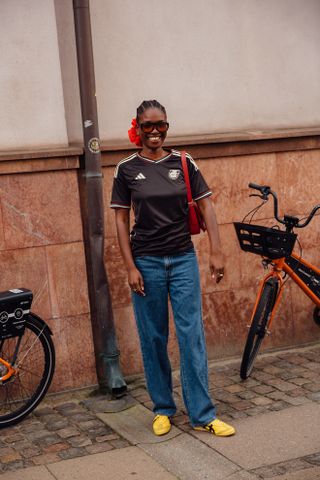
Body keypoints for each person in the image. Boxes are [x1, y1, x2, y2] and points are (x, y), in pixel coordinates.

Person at [110, 99, 235, 437]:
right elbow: (121, 220)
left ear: (167, 126)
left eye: (160, 125)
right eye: (148, 126)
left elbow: (207, 206)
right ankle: (163, 408)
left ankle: (203, 413)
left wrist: (217, 252)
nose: (155, 131)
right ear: (137, 128)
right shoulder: (125, 168)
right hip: (146, 262)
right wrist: (129, 267)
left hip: (182, 260)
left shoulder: (183, 161)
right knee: (153, 338)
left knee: (191, 335)